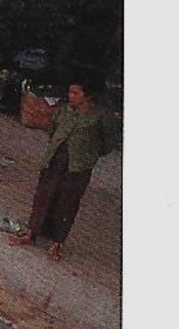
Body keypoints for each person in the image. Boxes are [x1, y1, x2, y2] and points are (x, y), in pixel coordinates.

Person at [16, 78, 120, 260]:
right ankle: (32, 232)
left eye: (75, 93)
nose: (70, 96)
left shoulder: (99, 117)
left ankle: (57, 242)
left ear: (87, 96)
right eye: (70, 92)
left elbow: (107, 143)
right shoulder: (64, 110)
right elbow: (53, 130)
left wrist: (88, 155)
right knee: (44, 196)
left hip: (78, 165)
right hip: (55, 159)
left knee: (67, 203)